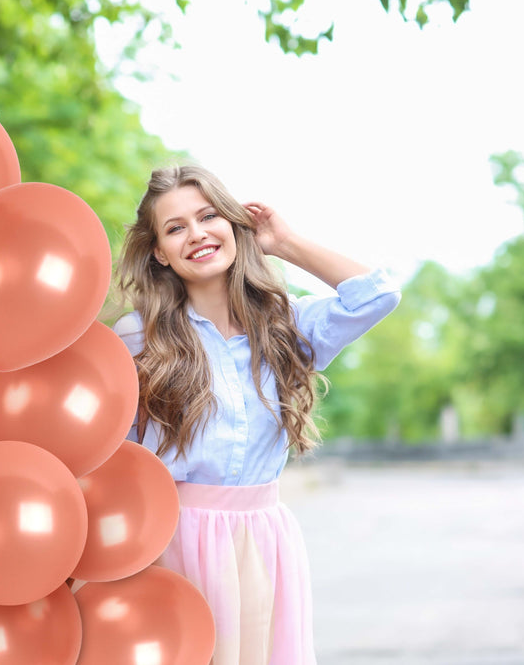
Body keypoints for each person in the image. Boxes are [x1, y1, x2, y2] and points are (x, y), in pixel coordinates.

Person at [113, 164, 400, 665]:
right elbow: (114, 457)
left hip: (265, 539)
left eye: (209, 217)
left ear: (232, 224)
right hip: (172, 538)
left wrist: (284, 242)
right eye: (176, 227)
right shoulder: (139, 336)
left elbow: (377, 295)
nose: (197, 234)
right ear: (159, 251)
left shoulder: (285, 323)